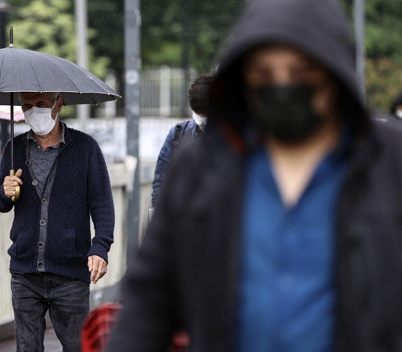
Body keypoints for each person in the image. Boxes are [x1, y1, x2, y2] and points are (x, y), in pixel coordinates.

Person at [106, 0, 402, 351]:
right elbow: (147, 301)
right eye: (263, 75)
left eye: (300, 75)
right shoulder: (200, 169)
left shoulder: (389, 163)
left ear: (334, 73)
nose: (282, 87)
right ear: (242, 79)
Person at [0, 92, 114, 352]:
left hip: (71, 270)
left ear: (59, 104)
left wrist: (100, 247)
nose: (33, 111)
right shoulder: (14, 148)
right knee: (27, 348)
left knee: (78, 346)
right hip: (25, 270)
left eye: (41, 105)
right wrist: (4, 191)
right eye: (27, 105)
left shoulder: (86, 147)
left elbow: (102, 204)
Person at [151, 73, 213, 207]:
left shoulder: (233, 139)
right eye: (198, 114)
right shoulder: (178, 134)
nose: (201, 120)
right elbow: (160, 181)